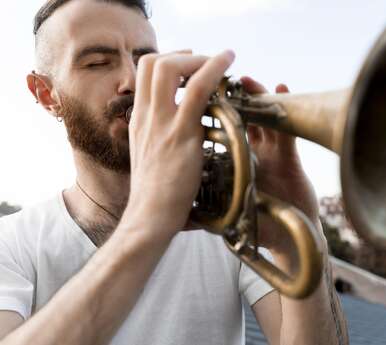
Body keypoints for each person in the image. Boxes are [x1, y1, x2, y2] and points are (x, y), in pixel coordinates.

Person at [0, 0, 349, 344]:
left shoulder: (225, 222)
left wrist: (301, 237)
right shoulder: (11, 243)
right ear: (46, 94)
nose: (131, 80)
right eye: (97, 63)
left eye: (145, 61)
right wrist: (148, 222)